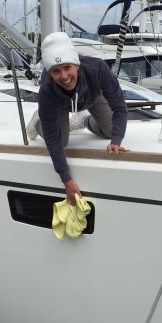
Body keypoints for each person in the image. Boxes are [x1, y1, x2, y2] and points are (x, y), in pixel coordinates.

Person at [37, 32, 128, 204]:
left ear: (76, 65)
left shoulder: (98, 68)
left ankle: (84, 121)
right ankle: (37, 122)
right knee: (62, 141)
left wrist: (116, 140)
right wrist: (66, 179)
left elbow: (119, 108)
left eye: (67, 68)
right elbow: (51, 139)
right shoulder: (47, 90)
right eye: (56, 71)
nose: (63, 76)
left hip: (91, 95)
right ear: (50, 74)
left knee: (110, 131)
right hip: (59, 104)